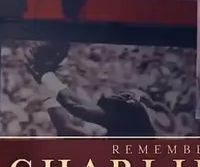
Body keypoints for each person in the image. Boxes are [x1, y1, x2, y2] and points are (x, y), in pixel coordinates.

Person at [24, 42, 160, 136]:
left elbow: (75, 105)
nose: (116, 96)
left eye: (125, 95)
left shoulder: (133, 117)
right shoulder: (129, 135)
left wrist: (46, 76)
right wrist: (45, 85)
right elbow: (66, 128)